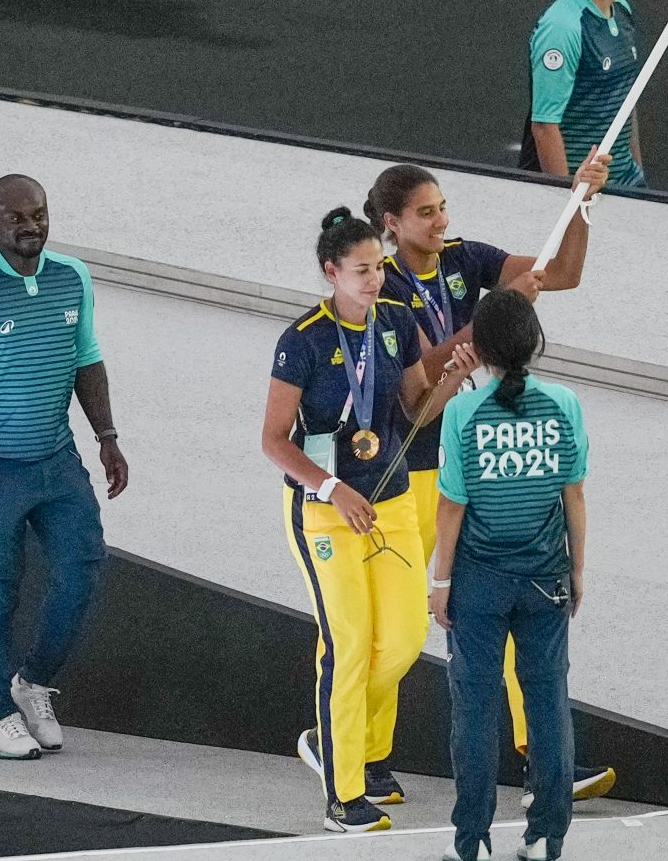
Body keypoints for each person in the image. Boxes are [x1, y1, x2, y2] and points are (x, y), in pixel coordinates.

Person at [367, 153, 617, 807]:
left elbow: (561, 273)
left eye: (443, 206)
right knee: (395, 625)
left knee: (503, 615)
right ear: (392, 223)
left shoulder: (464, 259)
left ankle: (543, 759)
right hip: (398, 470)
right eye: (426, 213)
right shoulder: (379, 289)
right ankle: (353, 749)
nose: (441, 220)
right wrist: (494, 315)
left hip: (460, 462)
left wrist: (583, 202)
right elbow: (409, 397)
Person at [262, 207, 476, 834]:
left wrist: (449, 383)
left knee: (405, 640)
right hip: (325, 513)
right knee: (349, 645)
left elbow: (413, 409)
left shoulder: (397, 322)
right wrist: (329, 489)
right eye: (361, 271)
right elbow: (275, 440)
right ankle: (343, 795)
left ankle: (334, 737)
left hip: (391, 502)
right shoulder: (301, 339)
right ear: (331, 272)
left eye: (379, 267)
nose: (376, 279)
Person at [0, 174, 129, 761]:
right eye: (14, 217)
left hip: (58, 463)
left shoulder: (73, 276)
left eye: (37, 213)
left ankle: (32, 683)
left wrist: (107, 438)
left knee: (82, 571)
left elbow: (86, 357)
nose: (29, 225)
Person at [431, 291, 589, 861]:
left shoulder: (463, 411)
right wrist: (576, 570)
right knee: (548, 701)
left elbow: (452, 504)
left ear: (480, 347)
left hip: (478, 581)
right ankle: (548, 836)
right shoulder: (566, 404)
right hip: (546, 576)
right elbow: (574, 493)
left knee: (475, 707)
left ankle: (471, 842)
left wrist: (440, 580)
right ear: (535, 341)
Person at [522, 0, 648, 189]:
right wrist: (568, 199)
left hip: (626, 182)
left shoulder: (622, 10)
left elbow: (625, 96)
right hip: (582, 191)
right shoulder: (562, 28)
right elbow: (545, 127)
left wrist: (637, 169)